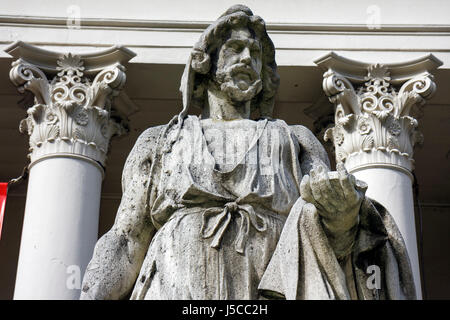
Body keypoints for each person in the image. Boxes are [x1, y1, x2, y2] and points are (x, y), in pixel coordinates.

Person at [80, 5, 416, 300]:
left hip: (268, 287)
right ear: (205, 62)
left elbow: (330, 237)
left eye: (255, 54)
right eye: (235, 49)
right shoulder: (161, 141)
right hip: (174, 284)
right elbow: (127, 238)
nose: (246, 59)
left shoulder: (295, 141)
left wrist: (342, 212)